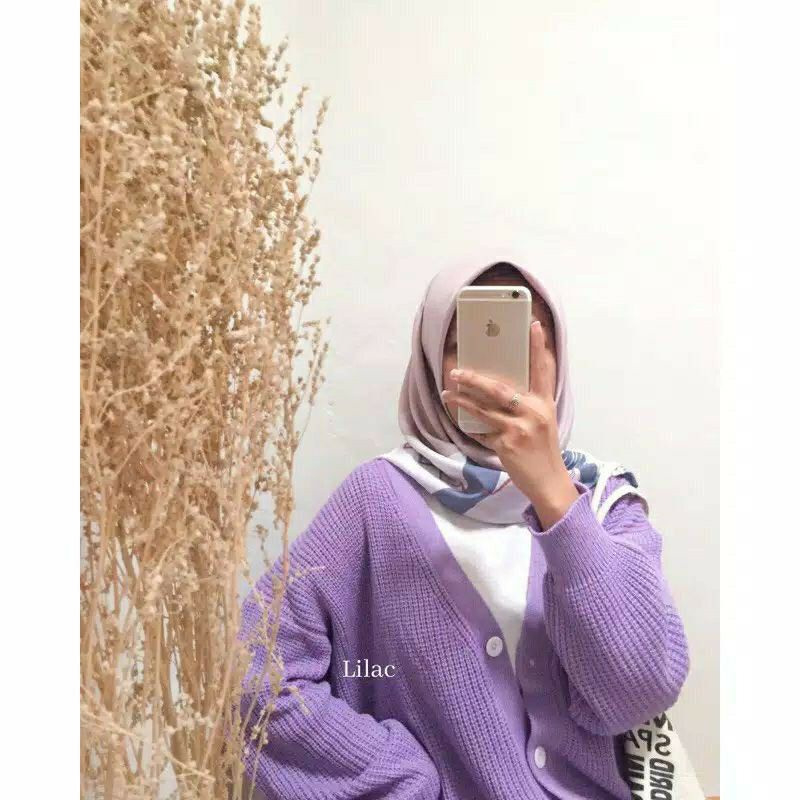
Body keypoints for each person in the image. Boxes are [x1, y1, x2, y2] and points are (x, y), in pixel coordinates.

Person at [237, 250, 691, 799]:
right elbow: (251, 677)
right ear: (431, 364)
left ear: (557, 358)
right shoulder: (376, 501)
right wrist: (407, 784)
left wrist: (553, 493)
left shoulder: (605, 503)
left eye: (524, 343)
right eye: (465, 344)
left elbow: (639, 691)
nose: (495, 371)